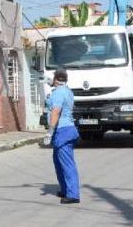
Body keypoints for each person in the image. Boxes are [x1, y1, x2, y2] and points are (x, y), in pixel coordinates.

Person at [46, 67, 81, 204]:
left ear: (56, 79)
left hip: (63, 130)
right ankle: (65, 189)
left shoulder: (59, 93)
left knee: (66, 163)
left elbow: (56, 112)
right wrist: (50, 84)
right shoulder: (67, 91)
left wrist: (50, 131)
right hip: (67, 130)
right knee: (58, 161)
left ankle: (73, 194)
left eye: (53, 78)